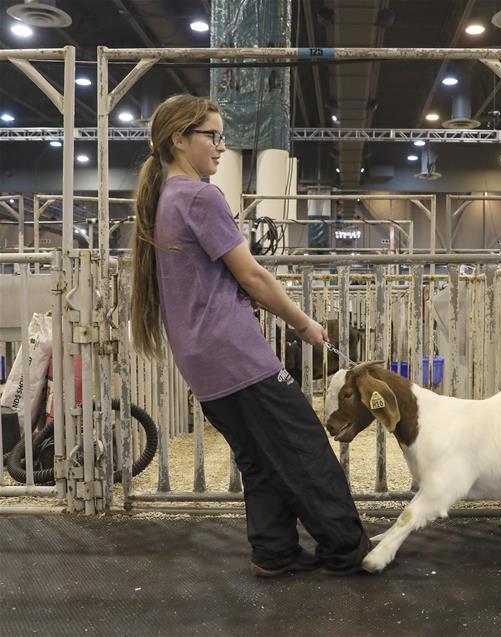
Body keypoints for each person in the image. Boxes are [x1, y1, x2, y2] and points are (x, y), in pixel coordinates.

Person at [130, 94, 369, 577]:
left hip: (201, 359)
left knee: (258, 458)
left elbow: (217, 278)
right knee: (304, 446)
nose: (220, 147)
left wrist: (238, 294)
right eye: (212, 136)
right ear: (179, 139)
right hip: (235, 352)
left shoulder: (165, 199)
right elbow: (253, 275)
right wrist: (303, 324)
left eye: (222, 138)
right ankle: (347, 550)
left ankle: (274, 552)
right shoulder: (199, 196)